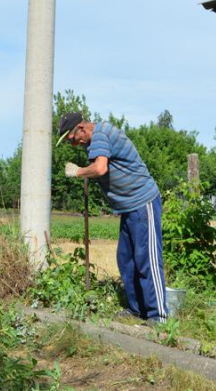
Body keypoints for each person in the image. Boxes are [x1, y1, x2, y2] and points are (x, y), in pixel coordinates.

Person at [56, 112, 167, 324]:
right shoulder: (93, 142)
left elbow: (100, 168)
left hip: (143, 201)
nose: (72, 144)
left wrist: (79, 172)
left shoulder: (100, 135)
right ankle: (137, 309)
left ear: (81, 128)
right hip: (128, 207)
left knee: (147, 259)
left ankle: (158, 315)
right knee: (126, 260)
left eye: (71, 138)